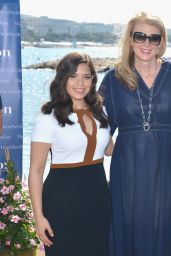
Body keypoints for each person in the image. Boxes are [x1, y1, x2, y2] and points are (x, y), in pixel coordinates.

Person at [99, 11, 171, 256]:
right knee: (129, 225)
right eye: (140, 36)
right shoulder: (113, 78)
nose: (147, 43)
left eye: (154, 38)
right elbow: (100, 128)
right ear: (130, 39)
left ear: (162, 42)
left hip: (167, 167)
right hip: (127, 169)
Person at [28, 52, 113, 256]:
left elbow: (110, 150)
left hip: (98, 201)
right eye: (73, 76)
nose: (80, 83)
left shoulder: (101, 111)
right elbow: (36, 171)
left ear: (93, 79)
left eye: (86, 76)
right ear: (62, 79)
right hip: (61, 204)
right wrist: (39, 217)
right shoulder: (48, 117)